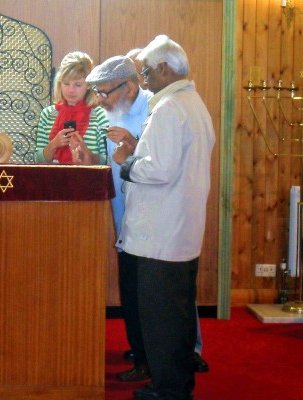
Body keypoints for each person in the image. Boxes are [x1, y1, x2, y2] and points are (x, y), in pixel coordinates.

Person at [87, 54, 209, 383]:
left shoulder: (159, 107)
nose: (100, 100)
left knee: (165, 297)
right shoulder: (110, 111)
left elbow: (158, 164)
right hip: (128, 212)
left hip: (158, 220)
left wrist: (130, 150)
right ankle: (146, 353)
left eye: (105, 92)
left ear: (128, 88)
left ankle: (180, 356)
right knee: (139, 293)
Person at [113, 35, 215, 400]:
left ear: (164, 69)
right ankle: (177, 385)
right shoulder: (191, 103)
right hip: (178, 231)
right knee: (178, 318)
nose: (143, 79)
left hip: (161, 236)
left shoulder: (171, 108)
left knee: (162, 322)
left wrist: (127, 163)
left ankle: (169, 391)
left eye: (146, 72)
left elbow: (159, 170)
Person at [34, 51, 108, 165]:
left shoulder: (100, 115)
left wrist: (86, 152)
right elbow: (37, 161)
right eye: (66, 83)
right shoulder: (47, 114)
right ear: (59, 83)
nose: (71, 90)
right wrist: (54, 144)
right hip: (53, 180)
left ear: (88, 85)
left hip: (88, 180)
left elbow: (108, 161)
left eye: (78, 85)